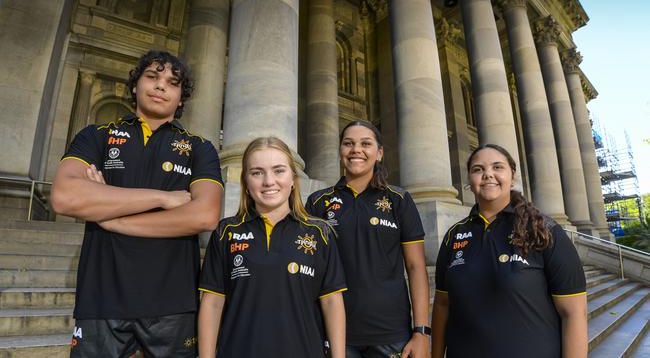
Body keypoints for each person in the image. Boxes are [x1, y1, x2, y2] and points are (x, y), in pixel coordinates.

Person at [51, 50, 223, 357]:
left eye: (172, 82)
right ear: (135, 85)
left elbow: (205, 215)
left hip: (172, 304)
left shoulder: (199, 148)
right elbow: (65, 197)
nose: (160, 87)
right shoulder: (97, 136)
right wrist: (163, 198)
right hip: (101, 298)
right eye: (152, 77)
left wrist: (111, 216)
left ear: (181, 97)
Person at [431, 144, 588, 358]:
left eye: (498, 167)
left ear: (512, 176)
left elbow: (574, 313)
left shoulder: (544, 231)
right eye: (478, 169)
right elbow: (442, 305)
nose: (488, 174)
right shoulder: (454, 235)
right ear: (470, 179)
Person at [198, 136, 347, 358]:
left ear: (293, 179)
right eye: (257, 172)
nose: (269, 181)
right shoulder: (226, 232)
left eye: (278, 171)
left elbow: (331, 302)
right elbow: (213, 304)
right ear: (246, 183)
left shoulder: (320, 233)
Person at [307, 120, 430, 358]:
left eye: (366, 143)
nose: (356, 150)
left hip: (391, 334)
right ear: (340, 150)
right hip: (335, 333)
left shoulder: (399, 200)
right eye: (348, 143)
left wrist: (422, 331)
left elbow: (416, 267)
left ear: (379, 152)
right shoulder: (318, 202)